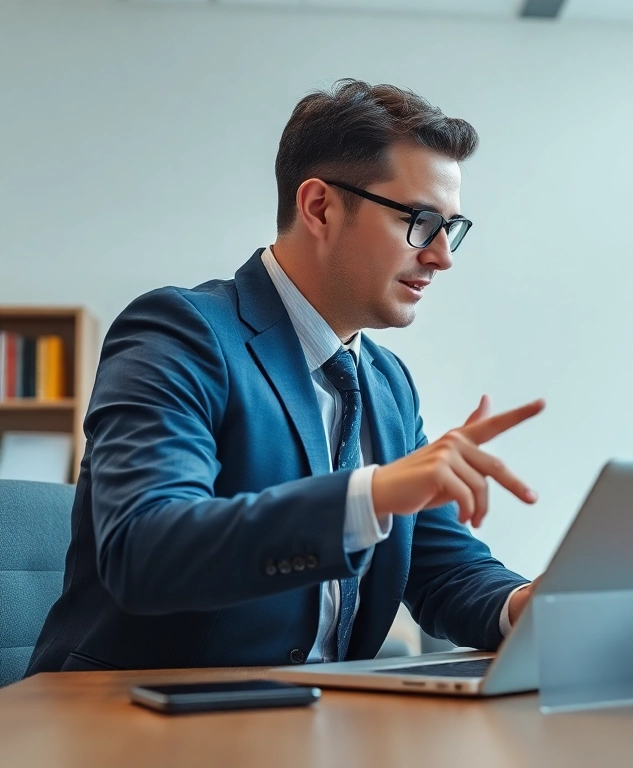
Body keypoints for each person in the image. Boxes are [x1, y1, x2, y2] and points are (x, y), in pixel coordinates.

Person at [28, 80, 544, 674]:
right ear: (320, 206)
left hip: (318, 724)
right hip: (137, 726)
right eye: (421, 221)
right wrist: (369, 496)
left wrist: (525, 606)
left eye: (451, 228)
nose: (441, 256)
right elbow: (146, 549)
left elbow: (443, 568)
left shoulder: (386, 384)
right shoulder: (181, 332)